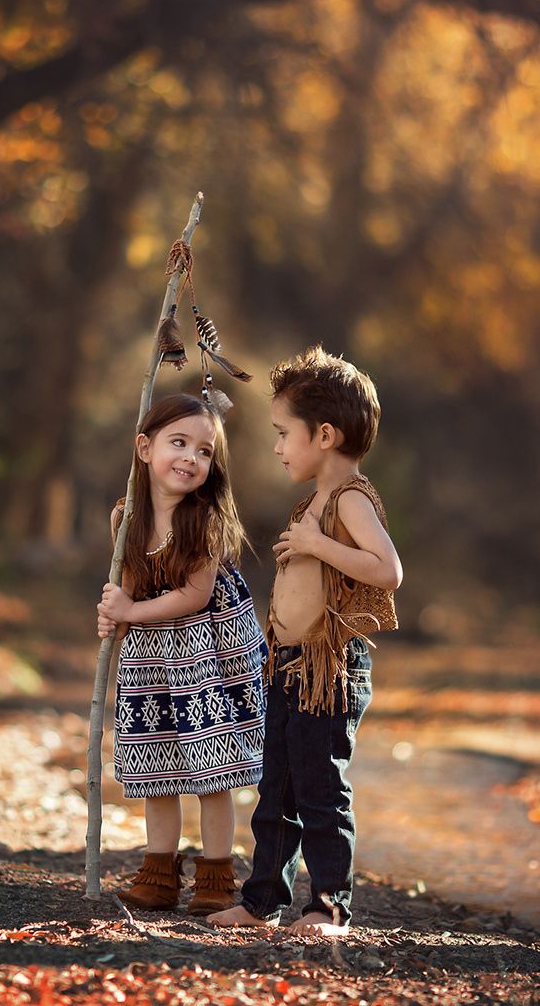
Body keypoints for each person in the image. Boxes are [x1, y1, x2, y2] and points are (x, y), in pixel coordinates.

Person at [208, 346, 402, 936]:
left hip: (330, 668)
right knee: (277, 793)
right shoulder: (312, 501)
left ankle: (329, 907)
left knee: (319, 791)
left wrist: (318, 546)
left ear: (323, 434)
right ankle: (262, 899)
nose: (275, 445)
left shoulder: (350, 499)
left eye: (281, 432)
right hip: (288, 668)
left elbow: (388, 570)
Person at [96, 392, 267, 916]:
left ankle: (216, 873)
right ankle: (159, 870)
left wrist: (130, 609)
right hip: (153, 659)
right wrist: (114, 618)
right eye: (179, 443)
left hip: (209, 657)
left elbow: (193, 596)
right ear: (144, 448)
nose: (191, 458)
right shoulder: (127, 517)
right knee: (158, 765)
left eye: (205, 450)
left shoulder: (204, 519)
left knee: (213, 771)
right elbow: (126, 587)